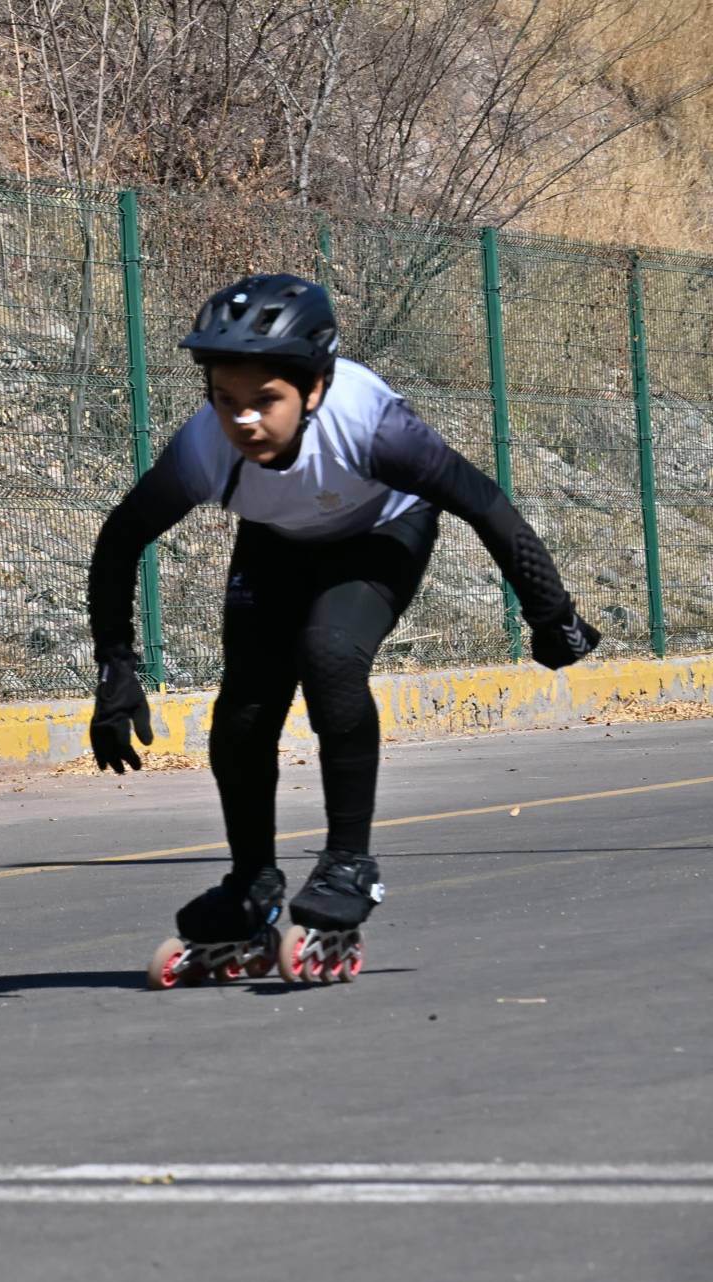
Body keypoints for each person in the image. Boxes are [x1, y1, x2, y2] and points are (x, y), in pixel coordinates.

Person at [85, 274, 599, 957]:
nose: (243, 421)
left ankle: (348, 862)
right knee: (242, 709)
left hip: (383, 531)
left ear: (315, 388)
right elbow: (120, 539)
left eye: (266, 400)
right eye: (225, 399)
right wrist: (115, 664)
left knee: (329, 654)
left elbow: (483, 501)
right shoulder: (205, 446)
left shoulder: (376, 429)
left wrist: (551, 611)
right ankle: (252, 883)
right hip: (278, 541)